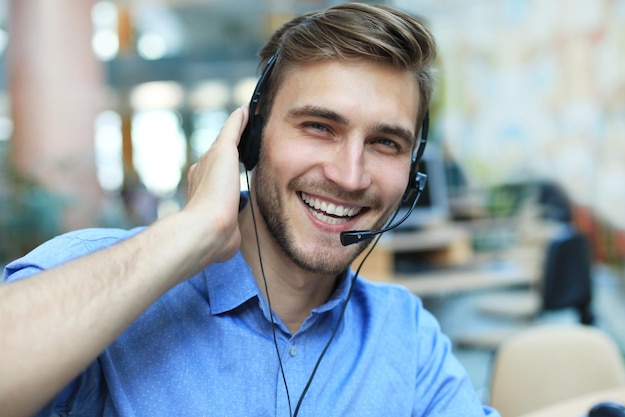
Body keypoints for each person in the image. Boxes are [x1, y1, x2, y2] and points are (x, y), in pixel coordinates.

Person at [0, 3, 500, 417]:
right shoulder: (99, 278)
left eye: (386, 142)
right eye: (319, 127)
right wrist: (193, 230)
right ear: (251, 135)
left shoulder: (405, 336)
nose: (350, 176)